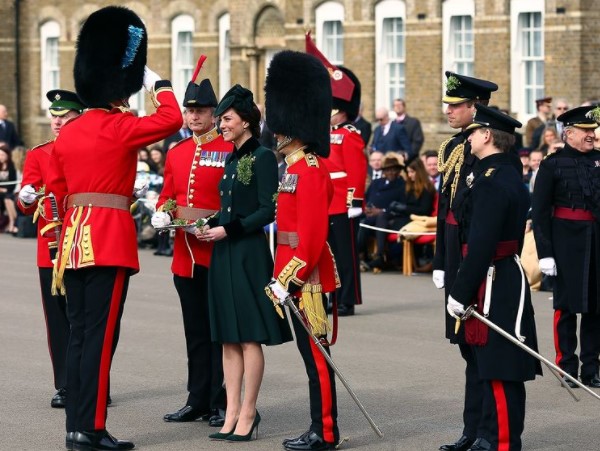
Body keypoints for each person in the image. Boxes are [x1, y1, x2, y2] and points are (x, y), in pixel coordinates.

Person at [43, 7, 182, 450]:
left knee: (79, 336)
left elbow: (59, 188)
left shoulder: (70, 132)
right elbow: (172, 120)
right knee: (101, 339)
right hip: (107, 239)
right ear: (117, 89)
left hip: (73, 240)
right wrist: (157, 83)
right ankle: (91, 429)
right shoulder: (119, 126)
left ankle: (75, 426)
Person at [196, 84, 292, 442]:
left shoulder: (264, 156)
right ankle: (231, 410)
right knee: (228, 338)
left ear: (247, 122)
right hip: (225, 252)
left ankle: (249, 412)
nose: (221, 124)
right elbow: (230, 207)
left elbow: (268, 209)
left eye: (227, 119)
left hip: (248, 253)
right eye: (221, 119)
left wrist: (228, 228)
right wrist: (209, 223)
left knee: (249, 336)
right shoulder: (232, 157)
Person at [446, 104, 541, 451]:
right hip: (493, 274)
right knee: (484, 361)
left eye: (473, 132)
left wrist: (460, 291)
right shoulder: (498, 173)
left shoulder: (494, 179)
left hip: (495, 277)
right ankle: (484, 433)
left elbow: (482, 244)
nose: (468, 137)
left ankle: (501, 441)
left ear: (486, 135)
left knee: (500, 364)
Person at [264, 49, 341, 451]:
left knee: (317, 359)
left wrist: (286, 278)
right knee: (310, 358)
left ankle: (325, 431)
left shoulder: (308, 170)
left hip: (305, 278)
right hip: (293, 275)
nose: (275, 133)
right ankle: (320, 427)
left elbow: (310, 237)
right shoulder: (292, 168)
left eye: (280, 127)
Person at [151, 59, 230, 426]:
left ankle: (222, 400)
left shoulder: (229, 151)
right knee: (194, 331)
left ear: (213, 114)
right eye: (189, 110)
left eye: (200, 111)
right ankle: (197, 398)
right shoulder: (177, 151)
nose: (193, 116)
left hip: (217, 252)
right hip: (186, 256)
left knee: (220, 332)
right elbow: (168, 193)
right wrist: (163, 211)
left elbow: (233, 203)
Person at [433, 71, 499, 451]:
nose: (449, 111)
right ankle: (471, 430)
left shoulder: (490, 148)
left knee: (482, 347)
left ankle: (488, 431)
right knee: (465, 347)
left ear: (478, 108)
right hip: (455, 251)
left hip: (478, 255)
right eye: (449, 104)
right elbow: (446, 210)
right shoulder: (452, 148)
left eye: (456, 105)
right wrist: (442, 259)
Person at [16, 89, 84, 409]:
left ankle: (94, 381)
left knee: (86, 318)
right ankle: (67, 384)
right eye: (54, 117)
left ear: (78, 118)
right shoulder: (39, 153)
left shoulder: (89, 150)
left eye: (65, 117)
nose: (57, 122)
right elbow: (27, 198)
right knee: (58, 320)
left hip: (84, 242)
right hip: (52, 246)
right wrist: (26, 200)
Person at [531, 105, 600, 389]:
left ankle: (592, 368)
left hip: (595, 239)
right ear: (568, 133)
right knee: (567, 307)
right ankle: (567, 366)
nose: (591, 136)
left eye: (593, 131)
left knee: (596, 308)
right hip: (565, 242)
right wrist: (545, 252)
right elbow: (540, 211)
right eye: (585, 131)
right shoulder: (552, 164)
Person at [305, 33, 367, 316]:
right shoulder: (324, 135)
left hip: (343, 202)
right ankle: (330, 295)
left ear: (342, 111)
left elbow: (356, 170)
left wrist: (355, 202)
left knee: (346, 255)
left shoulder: (349, 135)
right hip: (322, 201)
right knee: (326, 253)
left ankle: (347, 298)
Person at [358, 156, 406, 271]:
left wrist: (382, 210)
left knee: (381, 217)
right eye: (388, 170)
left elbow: (402, 205)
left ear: (399, 171)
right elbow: (366, 197)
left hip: (390, 218)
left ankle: (380, 255)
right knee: (362, 223)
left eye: (394, 169)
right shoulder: (376, 183)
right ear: (383, 171)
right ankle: (359, 256)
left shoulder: (402, 185)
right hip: (370, 216)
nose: (391, 172)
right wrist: (366, 208)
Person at [0, 144, 18, 233]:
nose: (1, 157)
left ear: (7, 155)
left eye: (3, 155)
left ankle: (12, 222)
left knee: (7, 198)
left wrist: (3, 189)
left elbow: (12, 185)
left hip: (8, 192)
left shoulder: (11, 167)